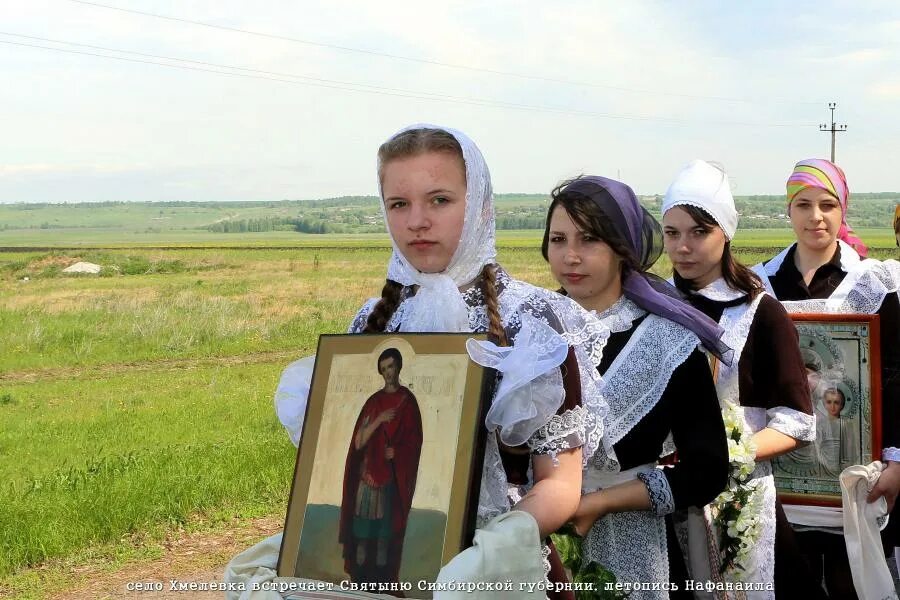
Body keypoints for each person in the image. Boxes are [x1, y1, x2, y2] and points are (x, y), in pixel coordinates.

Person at [267, 124, 610, 599]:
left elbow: (561, 481)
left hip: (496, 573)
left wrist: (490, 553)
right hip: (385, 567)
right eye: (399, 204)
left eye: (440, 200)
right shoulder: (374, 319)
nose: (417, 222)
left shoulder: (530, 323)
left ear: (482, 208)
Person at [540, 176, 729, 599]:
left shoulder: (669, 343)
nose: (570, 255)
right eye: (558, 239)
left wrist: (600, 502)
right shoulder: (528, 334)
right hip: (537, 546)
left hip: (639, 548)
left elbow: (708, 470)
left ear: (622, 247)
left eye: (589, 239)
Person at [660, 160, 817, 599]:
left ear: (725, 233)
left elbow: (797, 421)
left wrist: (725, 451)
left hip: (738, 499)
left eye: (698, 232)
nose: (683, 247)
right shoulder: (653, 306)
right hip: (663, 499)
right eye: (672, 233)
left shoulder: (759, 311)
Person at [752, 158, 900, 599]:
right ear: (788, 210)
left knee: (849, 582)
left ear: (842, 210)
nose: (815, 216)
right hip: (781, 479)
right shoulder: (759, 284)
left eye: (827, 204)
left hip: (858, 473)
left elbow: (894, 378)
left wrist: (896, 460)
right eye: (803, 205)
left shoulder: (874, 283)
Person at [339, 348, 423, 587]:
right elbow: (359, 442)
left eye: (391, 367)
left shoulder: (407, 402)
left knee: (385, 539)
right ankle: (361, 583)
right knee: (364, 538)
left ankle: (382, 585)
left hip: (390, 481)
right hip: (367, 479)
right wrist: (379, 419)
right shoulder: (374, 403)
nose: (388, 373)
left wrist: (398, 452)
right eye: (384, 368)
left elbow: (414, 442)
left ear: (399, 367)